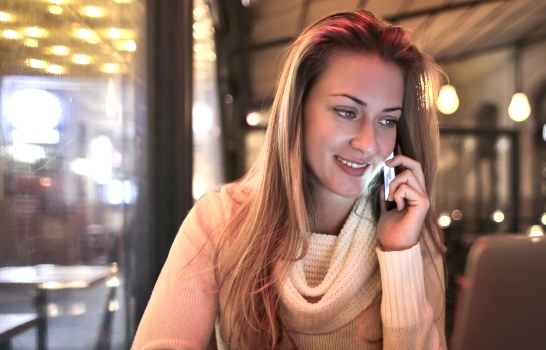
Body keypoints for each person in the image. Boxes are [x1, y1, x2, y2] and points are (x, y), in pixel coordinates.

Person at [133, 9, 446, 350]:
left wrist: (400, 252)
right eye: (346, 112)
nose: (369, 143)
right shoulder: (220, 219)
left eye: (387, 121)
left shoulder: (413, 235)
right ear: (297, 110)